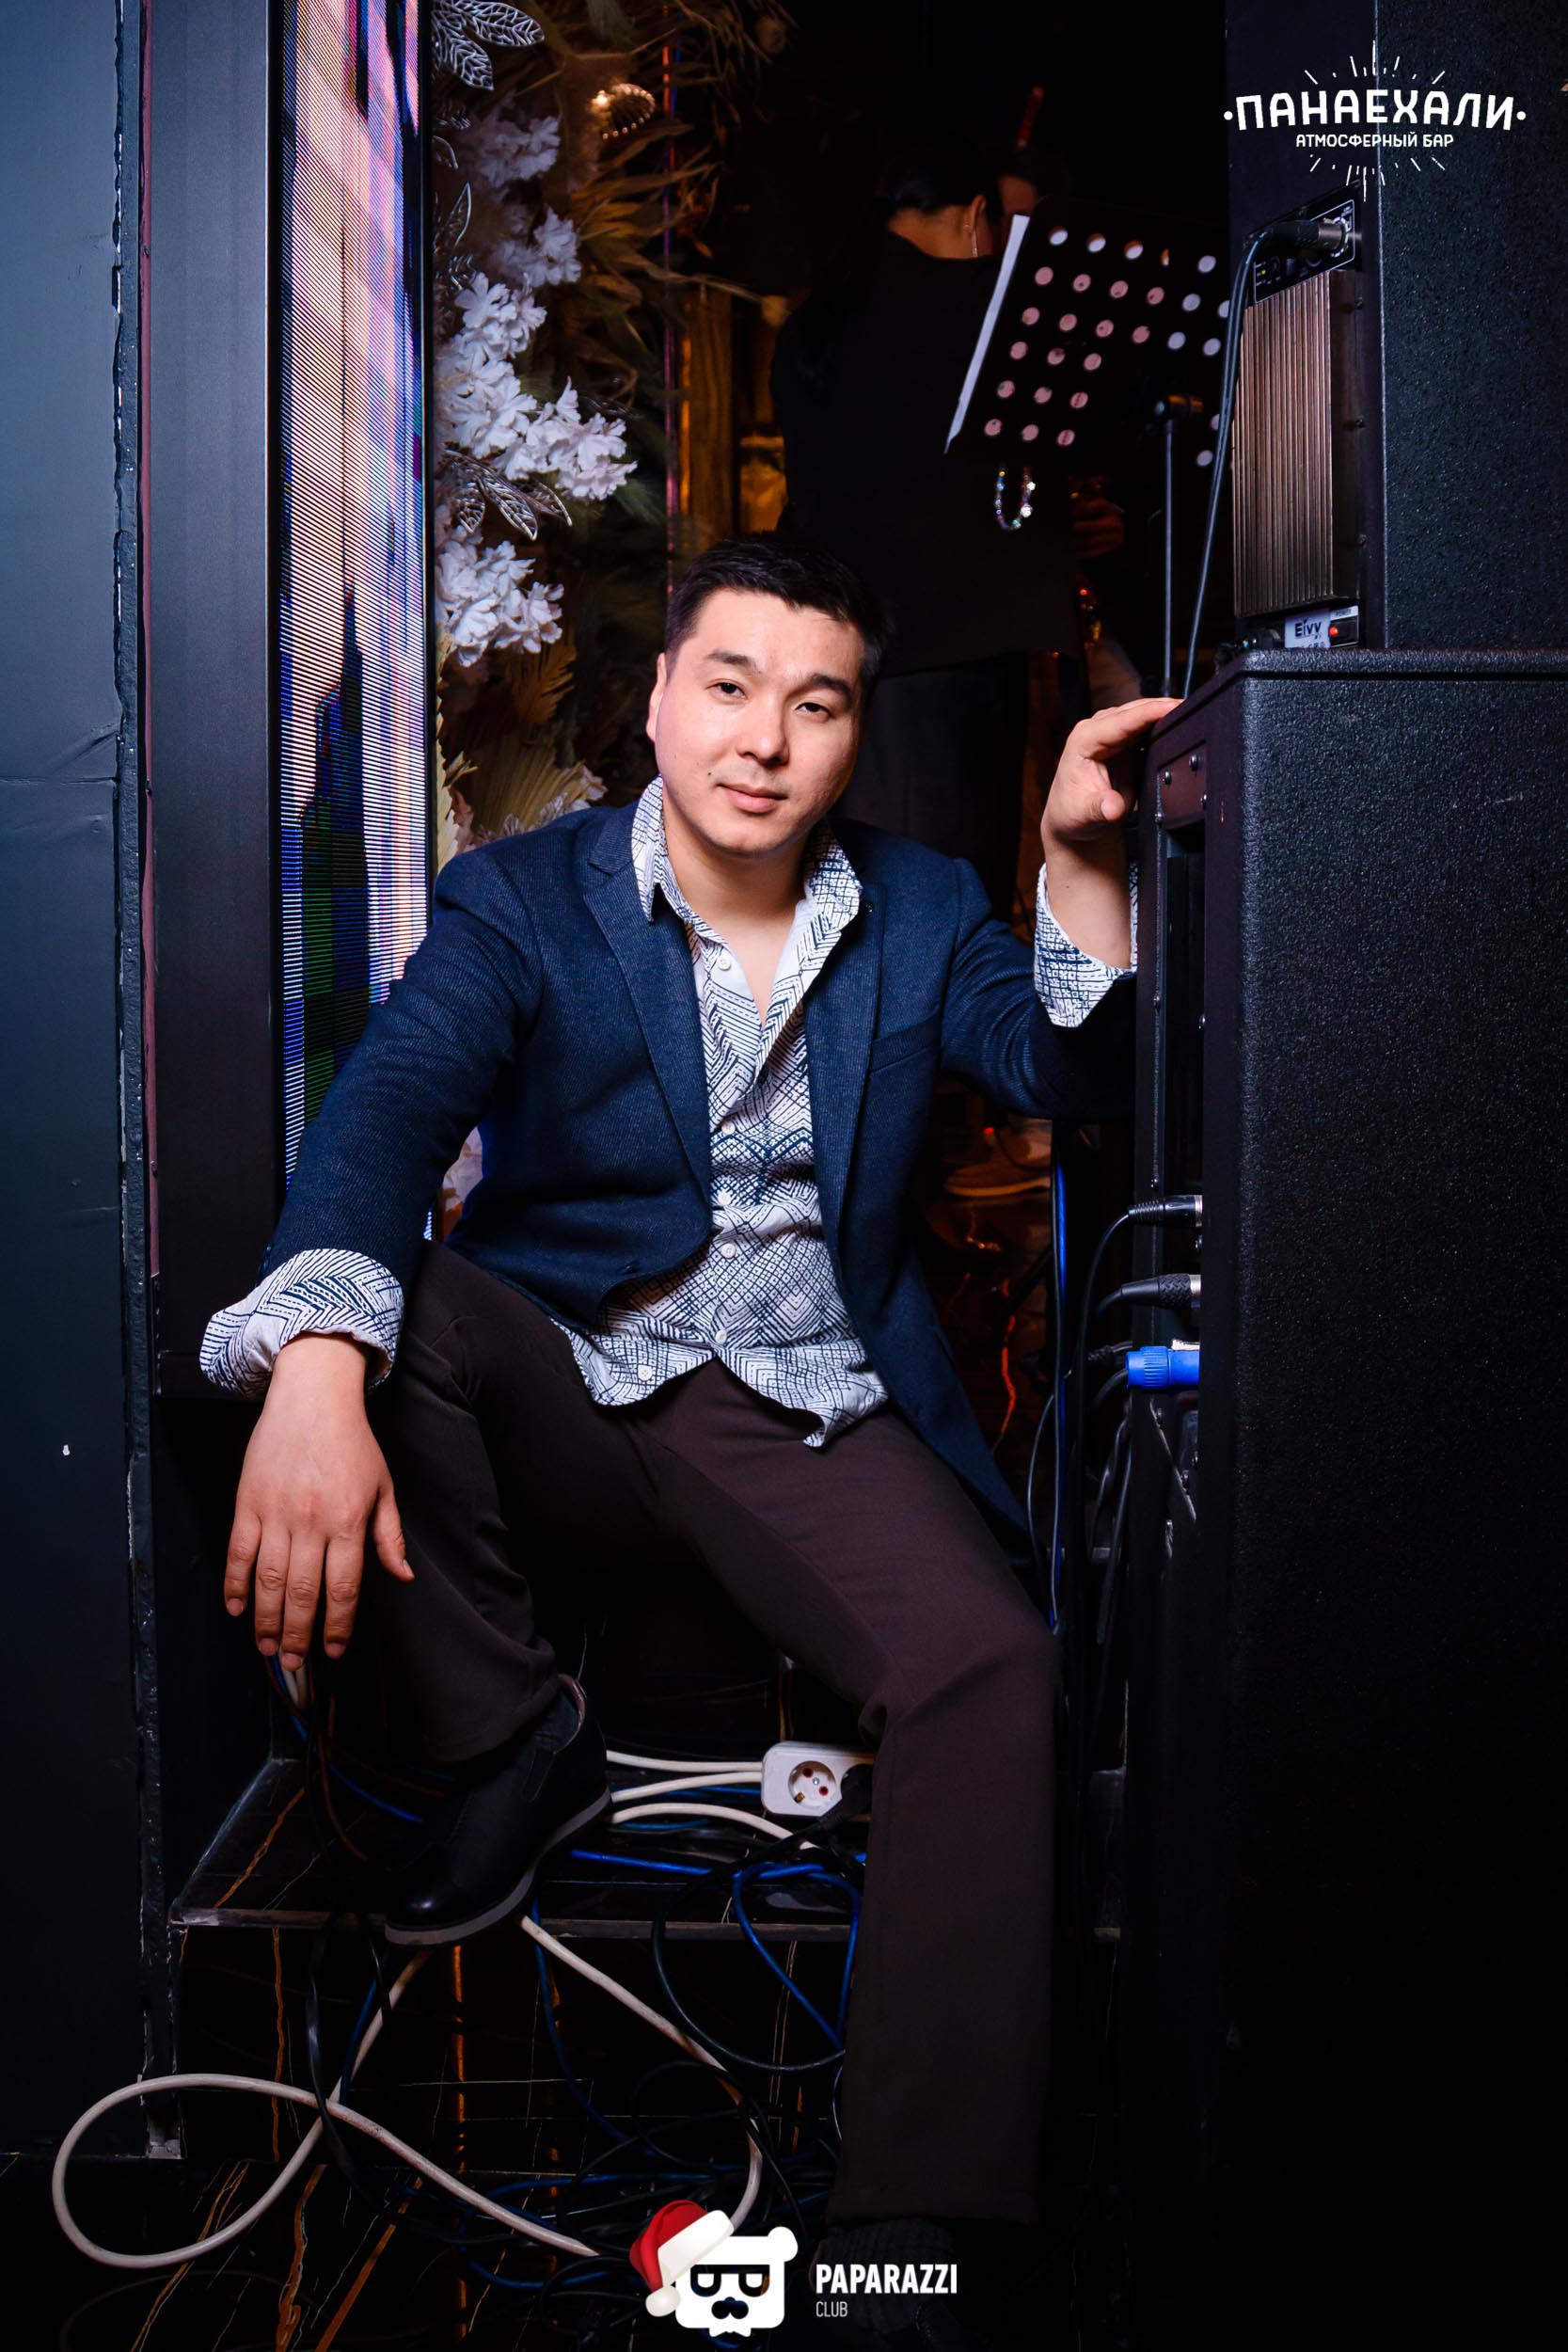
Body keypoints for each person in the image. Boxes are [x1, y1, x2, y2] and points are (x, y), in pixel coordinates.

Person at [202, 533, 1172, 2351]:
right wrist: (315, 1369)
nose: (763, 739)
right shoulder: (524, 900)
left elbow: (1062, 1070)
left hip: (801, 1403)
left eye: (815, 704)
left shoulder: (919, 904)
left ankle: (910, 2242)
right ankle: (514, 1733)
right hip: (563, 1374)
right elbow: (388, 1114)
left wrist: (1073, 860)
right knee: (392, 1306)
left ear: (853, 734)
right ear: (659, 701)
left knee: (990, 1671)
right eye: (727, 686)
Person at [771, 137, 1127, 1207]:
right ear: (975, 218)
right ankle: (941, 1152)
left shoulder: (820, 319)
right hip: (954, 651)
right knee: (950, 899)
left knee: (855, 897)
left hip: (841, 652)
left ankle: (870, 1153)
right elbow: (1016, 481)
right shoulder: (981, 306)